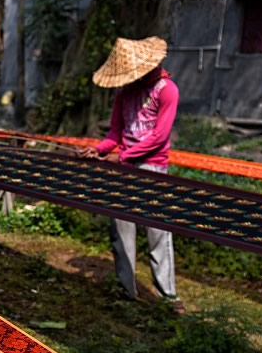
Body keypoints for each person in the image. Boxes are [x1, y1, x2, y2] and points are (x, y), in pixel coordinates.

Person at [78, 36, 183, 313]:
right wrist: (99, 149)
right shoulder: (124, 92)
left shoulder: (166, 90)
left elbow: (160, 136)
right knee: (121, 227)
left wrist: (122, 155)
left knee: (158, 230)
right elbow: (115, 131)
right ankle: (126, 288)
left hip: (152, 166)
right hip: (123, 165)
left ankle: (168, 295)